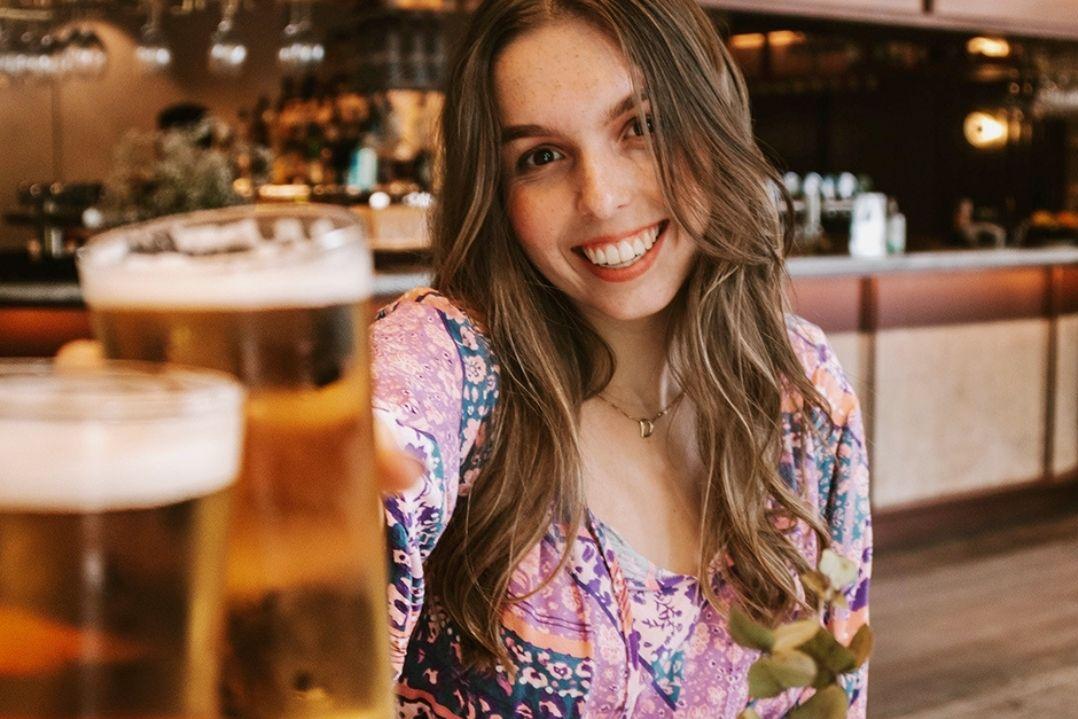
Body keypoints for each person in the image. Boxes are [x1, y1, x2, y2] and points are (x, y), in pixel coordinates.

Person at [370, 0, 871, 716]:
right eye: (540, 157)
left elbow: (835, 692)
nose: (601, 198)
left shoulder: (801, 385)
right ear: (496, 190)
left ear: (714, 123)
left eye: (642, 126)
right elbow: (365, 459)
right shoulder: (448, 362)